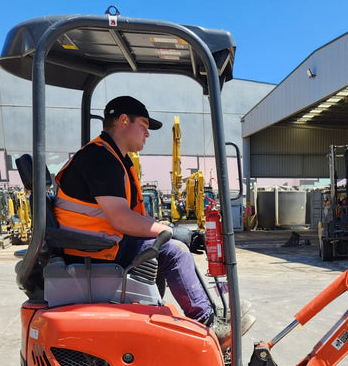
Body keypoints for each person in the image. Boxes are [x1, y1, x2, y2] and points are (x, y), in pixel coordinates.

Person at [53, 95, 252, 346]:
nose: (147, 134)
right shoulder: (100, 159)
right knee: (174, 250)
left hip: (98, 242)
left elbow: (126, 215)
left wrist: (169, 230)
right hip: (93, 249)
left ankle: (210, 312)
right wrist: (167, 231)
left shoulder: (113, 158)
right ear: (124, 120)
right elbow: (120, 218)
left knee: (173, 242)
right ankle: (207, 322)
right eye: (144, 126)